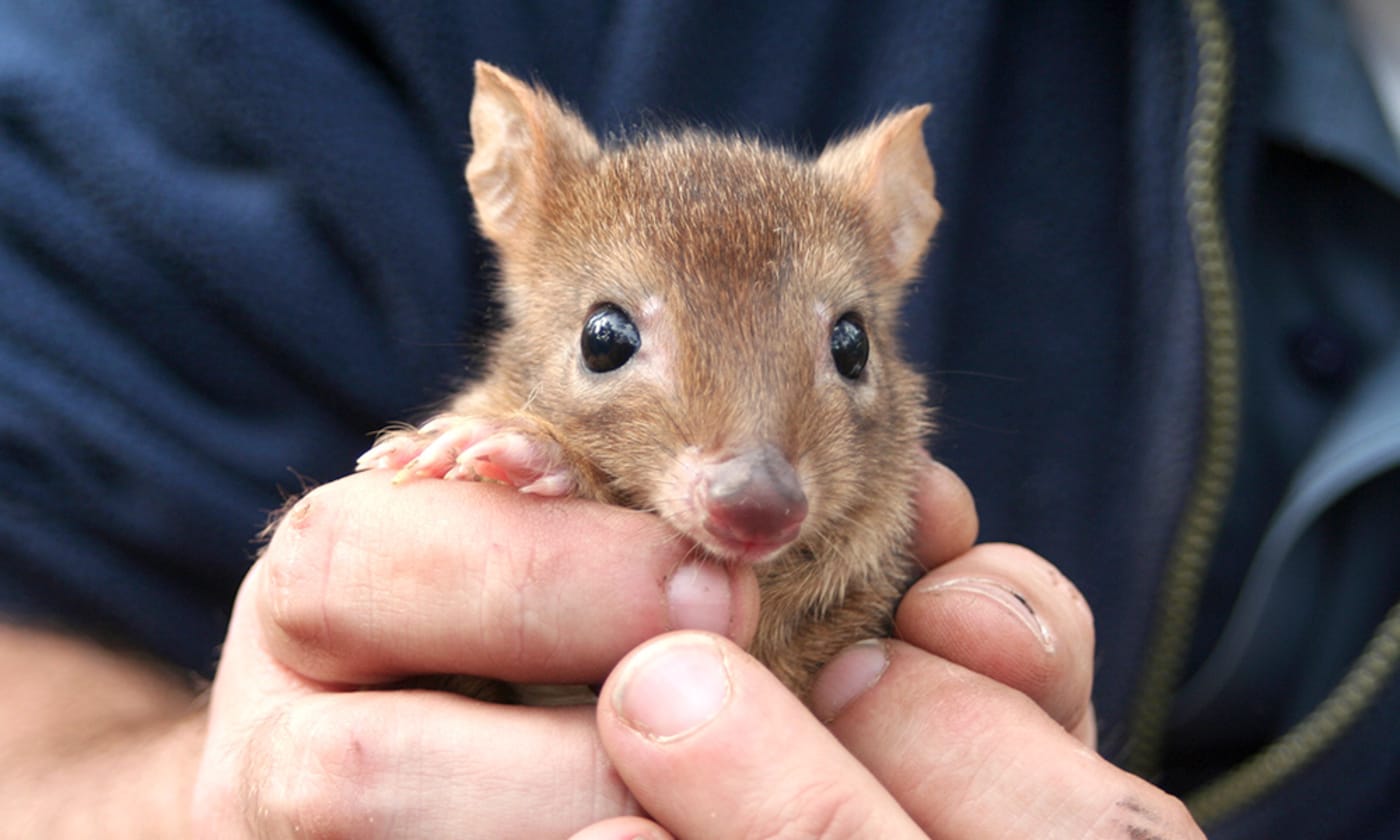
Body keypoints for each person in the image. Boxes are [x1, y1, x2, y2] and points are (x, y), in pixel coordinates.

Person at [1, 0, 1396, 837]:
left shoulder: (892, 519)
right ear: (514, 194)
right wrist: (221, 801)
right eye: (618, 344)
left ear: (900, 226)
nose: (755, 469)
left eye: (837, 347)